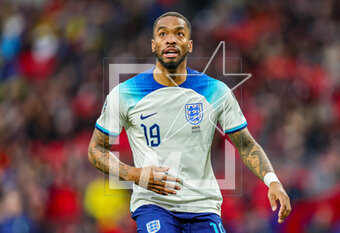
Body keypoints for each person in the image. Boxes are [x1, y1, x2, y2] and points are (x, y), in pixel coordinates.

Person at [88, 11, 291, 232]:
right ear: (153, 45)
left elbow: (245, 144)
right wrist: (133, 174)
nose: (171, 39)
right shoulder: (125, 93)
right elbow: (96, 149)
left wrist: (272, 180)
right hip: (154, 206)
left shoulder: (215, 90)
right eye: (163, 34)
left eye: (179, 33)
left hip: (204, 206)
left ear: (190, 45)